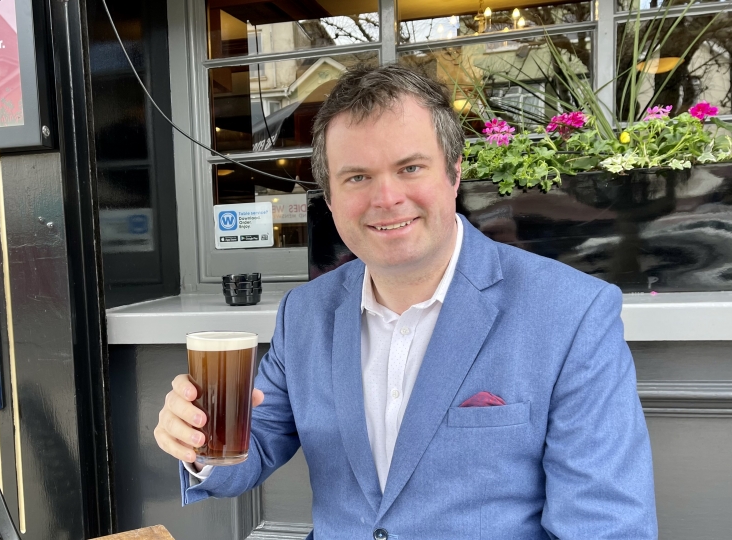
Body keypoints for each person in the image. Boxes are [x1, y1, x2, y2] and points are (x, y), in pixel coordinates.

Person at [154, 64, 657, 539]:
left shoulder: (571, 313)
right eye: (357, 177)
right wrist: (197, 441)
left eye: (410, 167)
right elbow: (255, 444)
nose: (386, 197)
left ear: (454, 174)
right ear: (329, 197)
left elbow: (605, 525)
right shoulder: (305, 312)